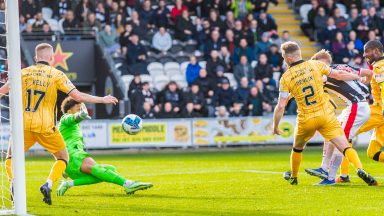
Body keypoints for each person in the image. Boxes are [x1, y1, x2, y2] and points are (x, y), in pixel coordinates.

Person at [1, 43, 118, 205]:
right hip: (46, 126)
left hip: (23, 126)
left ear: (36, 58)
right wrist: (102, 99)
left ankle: (14, 183)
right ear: (51, 58)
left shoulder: (23, 73)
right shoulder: (57, 74)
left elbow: (2, 91)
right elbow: (77, 96)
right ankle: (48, 184)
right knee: (63, 158)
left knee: (11, 157)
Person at [273, 41, 376, 186]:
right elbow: (364, 72)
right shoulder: (323, 66)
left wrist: (275, 125)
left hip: (309, 117)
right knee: (342, 144)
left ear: (288, 58)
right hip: (328, 114)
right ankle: (352, 169)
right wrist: (362, 80)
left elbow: (281, 105)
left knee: (298, 148)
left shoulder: (287, 77)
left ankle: (299, 176)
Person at [56, 98, 152, 196]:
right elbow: (71, 118)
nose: (79, 107)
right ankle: (128, 184)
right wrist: (80, 115)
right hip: (72, 154)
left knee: (110, 169)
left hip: (72, 158)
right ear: (69, 111)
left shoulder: (72, 127)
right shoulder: (65, 118)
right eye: (77, 106)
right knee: (98, 170)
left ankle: (68, 184)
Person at [305, 50, 372, 185]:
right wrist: (361, 80)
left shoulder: (325, 72)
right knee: (332, 135)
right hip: (356, 106)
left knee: (341, 142)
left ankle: (330, 176)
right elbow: (369, 73)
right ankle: (325, 170)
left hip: (357, 106)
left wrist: (357, 79)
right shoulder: (343, 66)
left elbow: (339, 77)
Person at [328, 40, 384, 182]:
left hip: (379, 111)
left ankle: (344, 175)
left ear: (377, 51)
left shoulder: (379, 67)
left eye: (368, 51)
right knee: (373, 153)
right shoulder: (376, 67)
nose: (365, 55)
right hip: (379, 110)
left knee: (344, 135)